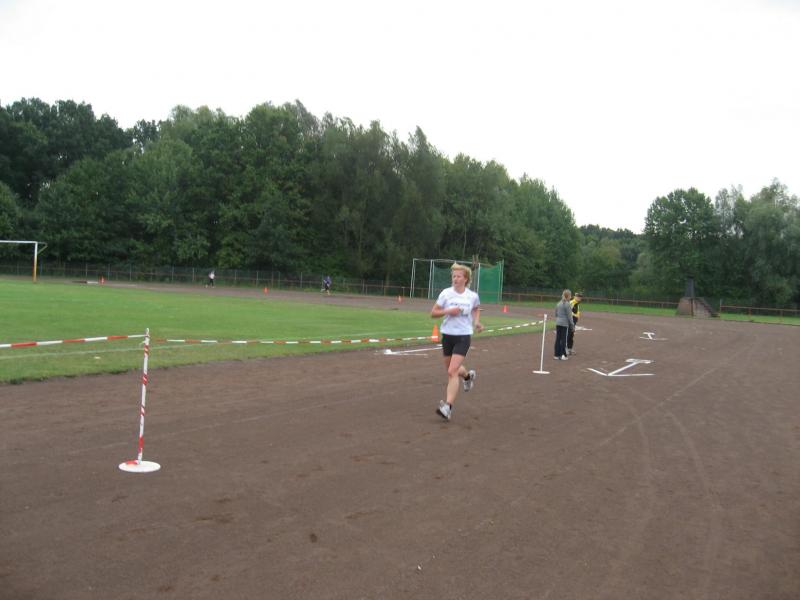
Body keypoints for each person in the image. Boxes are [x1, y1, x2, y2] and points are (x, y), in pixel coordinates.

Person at [430, 263, 483, 421]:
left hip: (463, 336)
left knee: (452, 371)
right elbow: (433, 313)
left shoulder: (472, 296)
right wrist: (448, 311)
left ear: (465, 279)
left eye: (459, 276)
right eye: (453, 276)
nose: (455, 278)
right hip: (447, 335)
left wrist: (477, 322)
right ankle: (467, 376)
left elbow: (476, 308)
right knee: (452, 369)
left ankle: (448, 407)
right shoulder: (446, 294)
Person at [554, 289, 574, 360]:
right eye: (570, 295)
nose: (571, 297)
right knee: (564, 340)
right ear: (568, 296)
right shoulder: (567, 304)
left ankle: (556, 355)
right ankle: (563, 355)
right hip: (564, 324)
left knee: (558, 339)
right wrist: (572, 325)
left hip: (558, 323)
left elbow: (555, 314)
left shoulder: (558, 303)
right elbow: (570, 316)